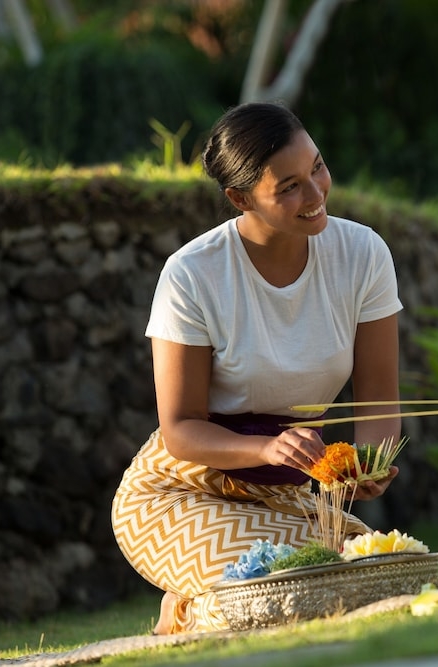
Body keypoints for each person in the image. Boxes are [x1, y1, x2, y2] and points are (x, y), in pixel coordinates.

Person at [111, 102, 403, 634]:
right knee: (288, 590)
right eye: (288, 187)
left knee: (393, 575)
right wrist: (265, 448)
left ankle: (205, 596)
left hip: (289, 491)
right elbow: (180, 429)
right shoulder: (192, 275)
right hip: (183, 488)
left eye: (317, 167)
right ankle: (192, 605)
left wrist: (370, 460)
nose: (315, 195)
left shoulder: (363, 254)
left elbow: (379, 399)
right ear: (240, 198)